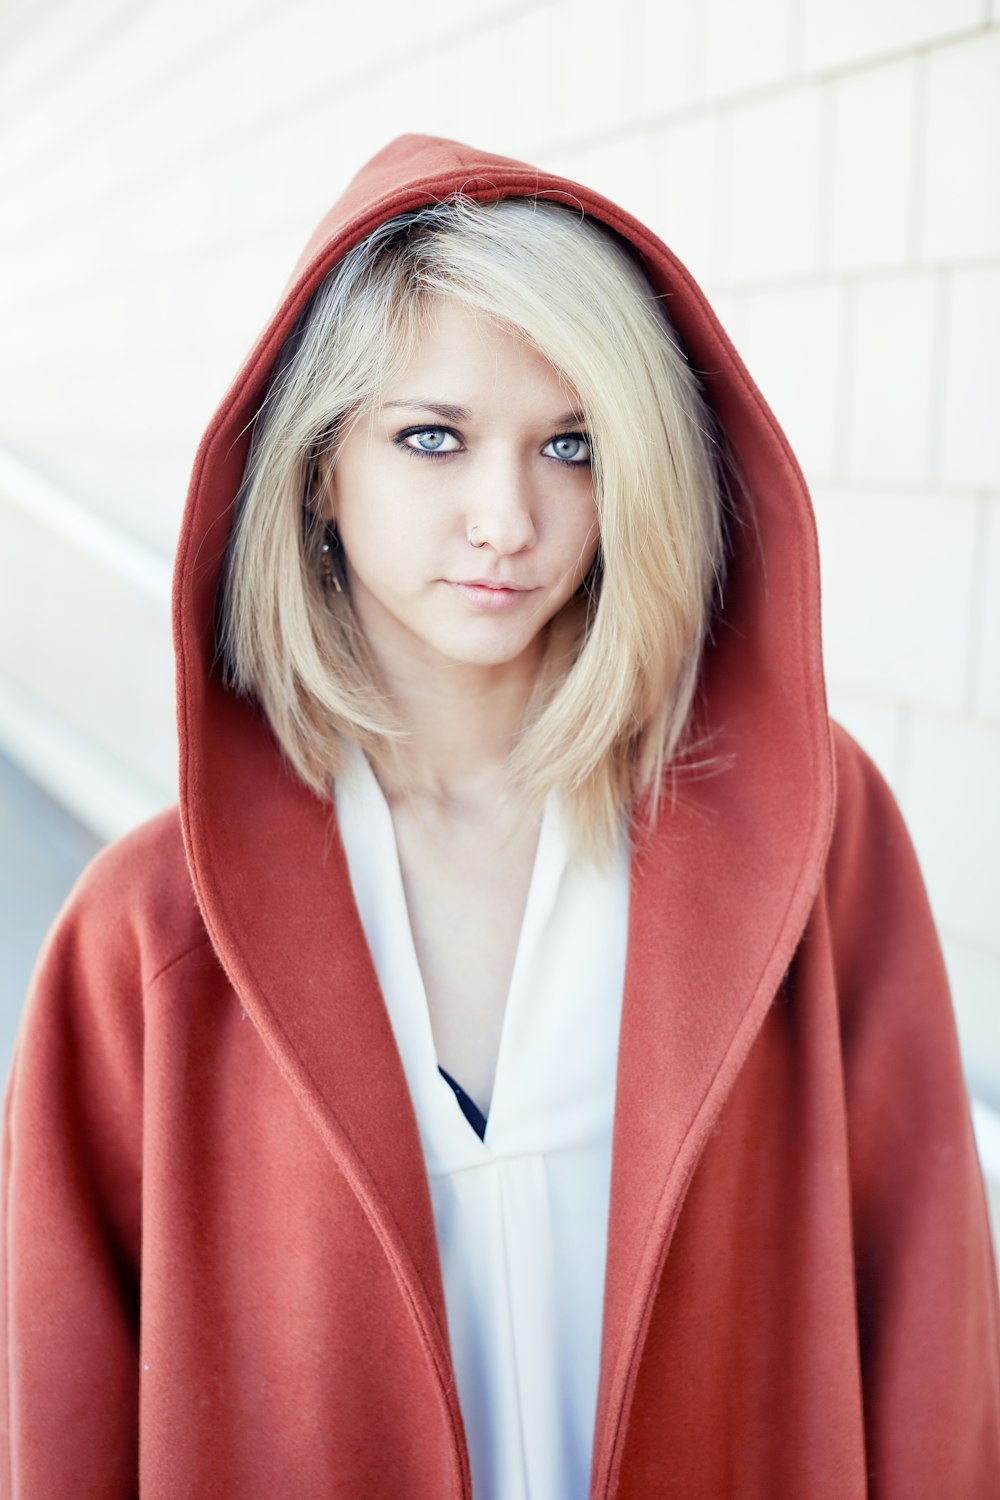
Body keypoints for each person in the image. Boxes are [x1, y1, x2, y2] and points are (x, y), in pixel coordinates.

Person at [1, 133, 997, 1499]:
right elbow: (60, 1417)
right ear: (314, 471)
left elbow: (932, 1313)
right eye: (432, 438)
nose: (507, 519)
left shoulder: (811, 839)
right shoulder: (146, 941)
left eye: (572, 445)